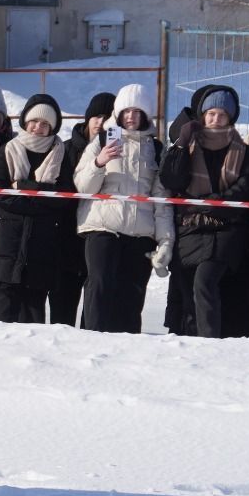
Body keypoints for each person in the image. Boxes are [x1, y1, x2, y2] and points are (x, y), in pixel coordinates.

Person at [73, 84, 174, 334]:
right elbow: (83, 186)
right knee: (99, 285)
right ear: (117, 114)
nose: (130, 116)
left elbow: (161, 200)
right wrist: (99, 161)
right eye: (126, 111)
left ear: (144, 115)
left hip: (140, 233)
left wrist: (165, 241)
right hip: (102, 225)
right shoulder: (102, 140)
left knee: (132, 296)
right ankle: (91, 340)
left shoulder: (157, 148)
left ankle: (127, 352)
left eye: (136, 112)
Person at [158, 86, 249, 338]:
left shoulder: (241, 149)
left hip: (224, 229)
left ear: (230, 118)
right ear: (202, 115)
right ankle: (189, 339)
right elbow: (171, 180)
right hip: (190, 226)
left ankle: (209, 341)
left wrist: (217, 202)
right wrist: (180, 143)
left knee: (205, 282)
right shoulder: (189, 145)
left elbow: (246, 185)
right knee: (186, 287)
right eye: (211, 113)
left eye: (222, 115)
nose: (215, 119)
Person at [0, 94, 74, 324]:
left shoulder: (60, 154)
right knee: (2, 315)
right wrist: (41, 197)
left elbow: (64, 197)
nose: (38, 127)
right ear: (26, 121)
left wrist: (24, 187)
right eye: (35, 121)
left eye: (45, 124)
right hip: (8, 244)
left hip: (42, 245)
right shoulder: (8, 149)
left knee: (33, 317)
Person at [52, 91, 115, 326]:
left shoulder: (118, 152)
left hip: (99, 236)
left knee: (94, 310)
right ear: (87, 118)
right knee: (62, 310)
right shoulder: (66, 149)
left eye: (108, 117)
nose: (101, 122)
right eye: (97, 116)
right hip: (67, 235)